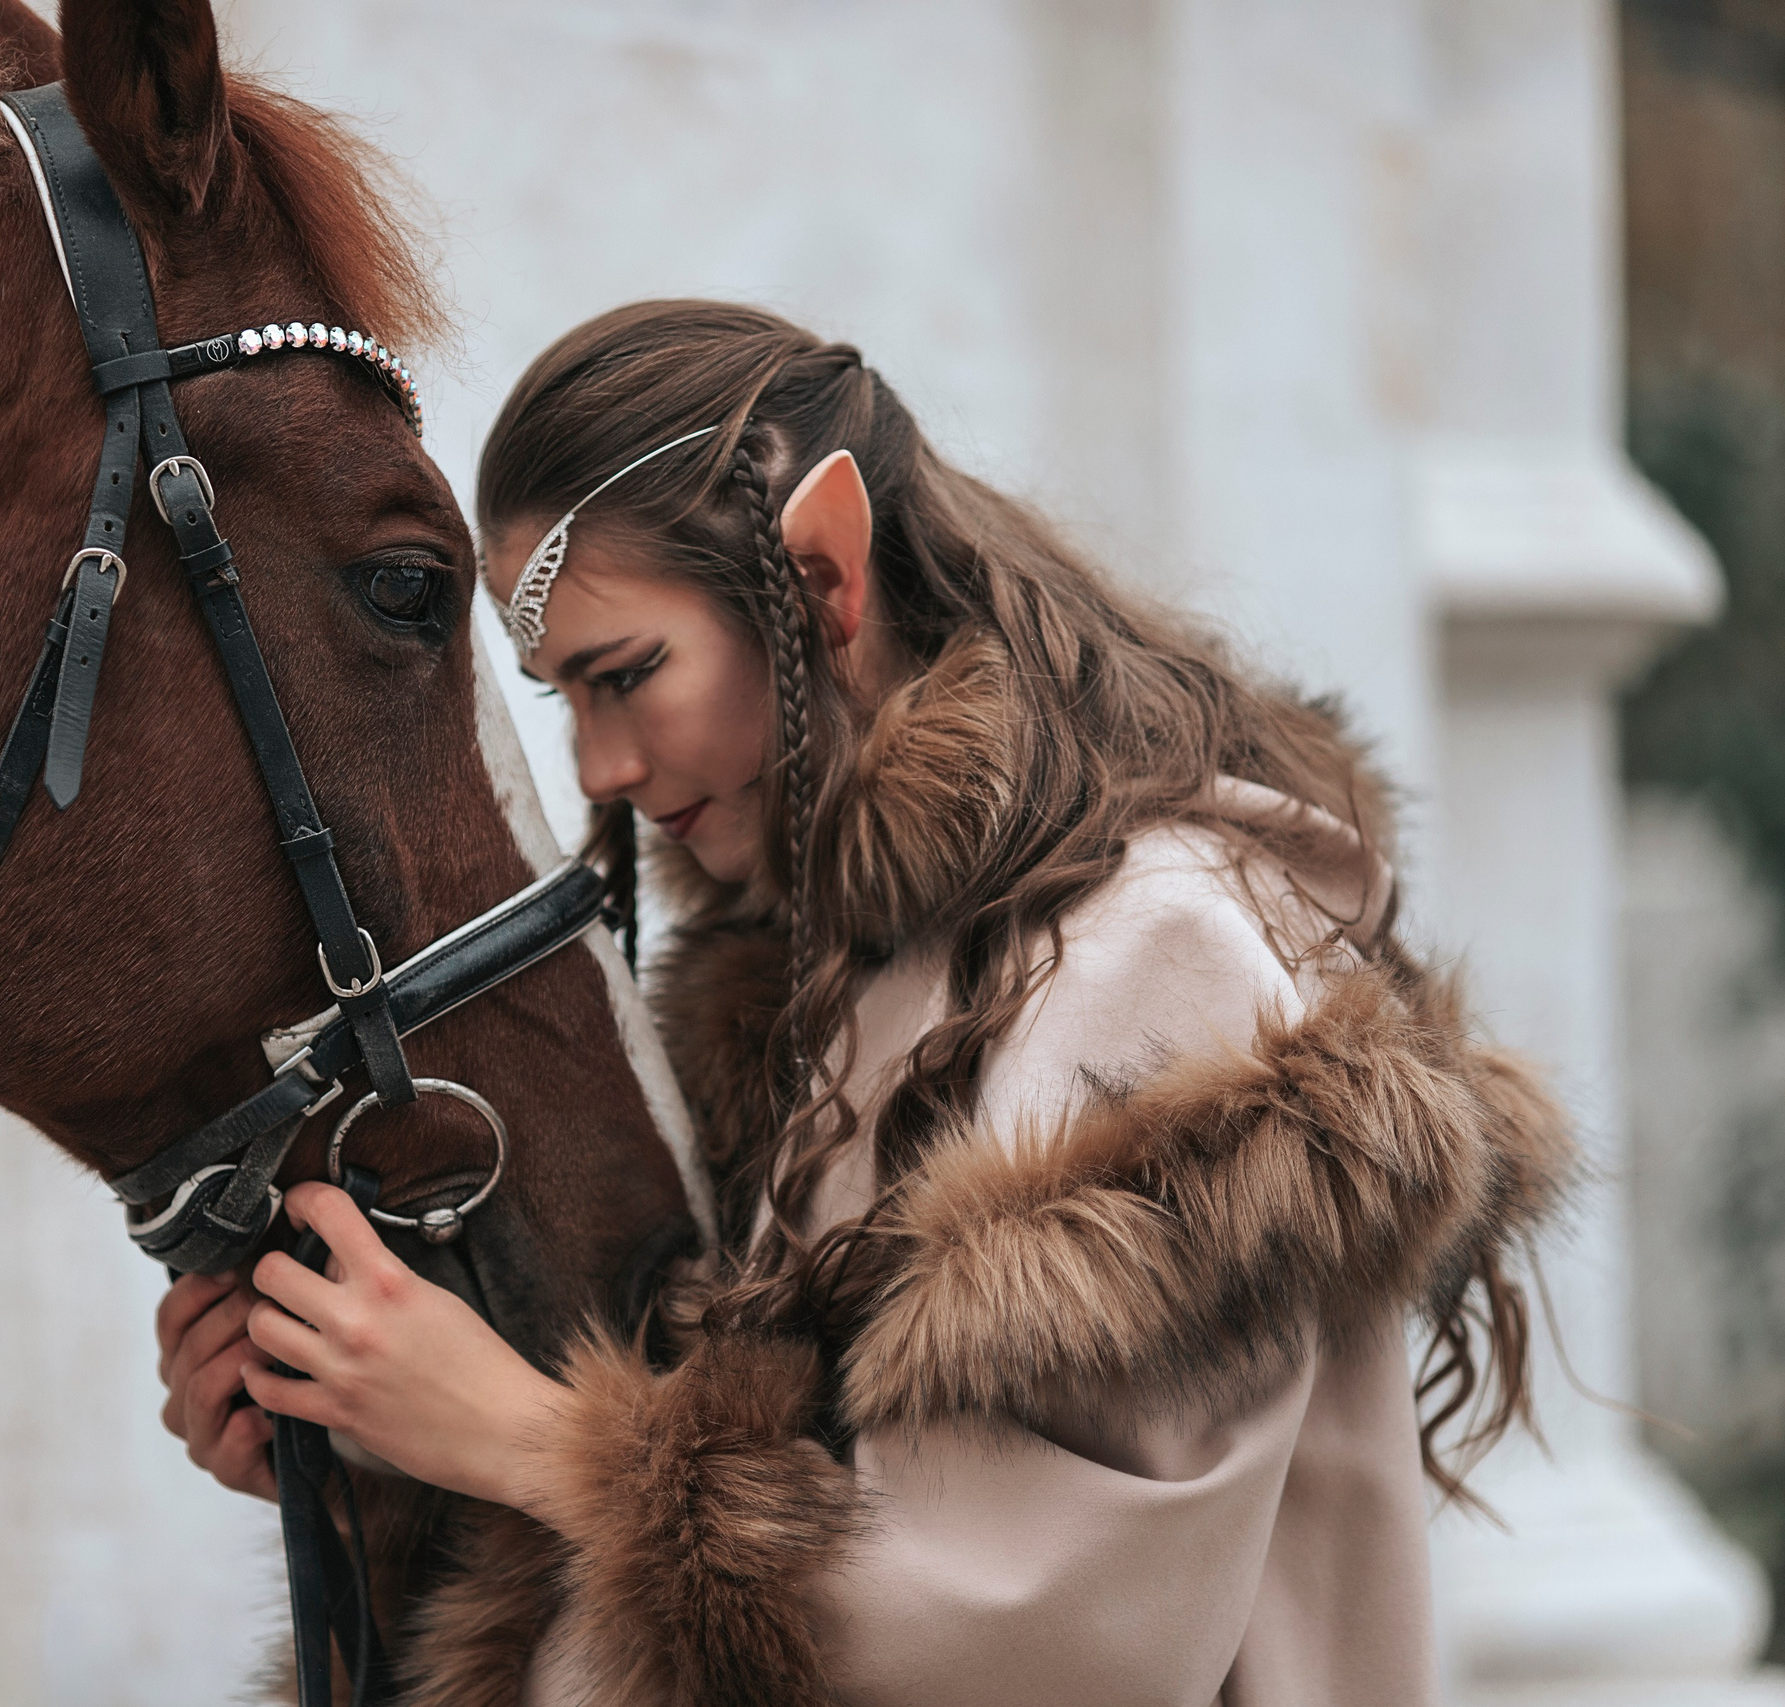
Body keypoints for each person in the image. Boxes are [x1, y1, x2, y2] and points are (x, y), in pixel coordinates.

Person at [153, 299, 1570, 1706]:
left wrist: (530, 1440)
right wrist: (362, 1449)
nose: (594, 770)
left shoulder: (1160, 946)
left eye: (626, 675)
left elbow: (1052, 1636)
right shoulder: (809, 981)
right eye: (560, 697)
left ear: (825, 575)